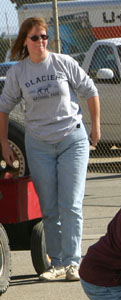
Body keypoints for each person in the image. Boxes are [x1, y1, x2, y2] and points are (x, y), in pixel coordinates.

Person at [0, 17, 101, 282]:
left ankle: (73, 263)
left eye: (44, 37)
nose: (41, 42)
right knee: (49, 207)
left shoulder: (63, 63)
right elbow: (4, 107)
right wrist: (4, 143)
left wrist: (96, 126)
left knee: (71, 204)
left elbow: (91, 90)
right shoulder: (18, 72)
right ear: (25, 41)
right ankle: (56, 264)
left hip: (72, 139)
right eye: (35, 37)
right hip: (39, 144)